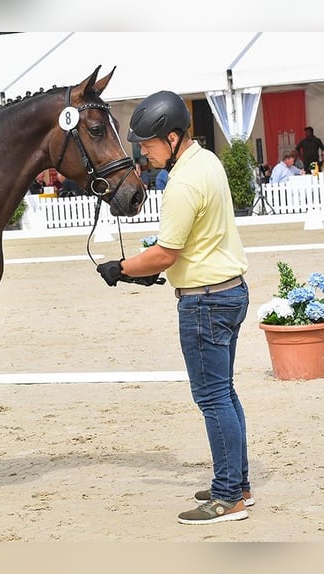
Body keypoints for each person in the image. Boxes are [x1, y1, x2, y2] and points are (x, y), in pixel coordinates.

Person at [96, 91, 252, 525]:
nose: (143, 154)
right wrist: (150, 264)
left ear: (172, 136)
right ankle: (238, 484)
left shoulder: (182, 181)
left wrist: (121, 267)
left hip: (204, 301)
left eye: (147, 145)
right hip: (230, 289)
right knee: (226, 393)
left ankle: (228, 497)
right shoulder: (207, 162)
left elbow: (166, 253)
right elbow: (190, 241)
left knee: (212, 397)